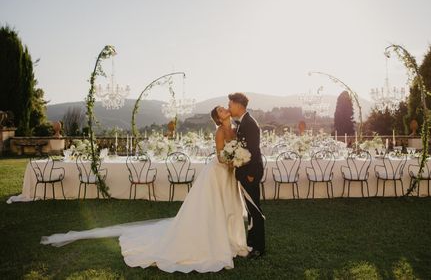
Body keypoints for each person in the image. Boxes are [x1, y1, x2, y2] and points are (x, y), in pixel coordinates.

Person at [41, 106, 249, 273]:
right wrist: (232, 159)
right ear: (217, 118)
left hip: (228, 175)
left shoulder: (234, 127)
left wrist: (237, 158)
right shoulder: (220, 131)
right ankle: (213, 239)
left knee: (226, 206)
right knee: (212, 207)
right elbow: (220, 155)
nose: (225, 109)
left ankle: (228, 236)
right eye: (221, 110)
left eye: (224, 108)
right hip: (218, 172)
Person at [228, 92, 266, 258]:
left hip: (250, 173)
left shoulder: (249, 124)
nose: (229, 107)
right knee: (251, 210)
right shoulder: (243, 123)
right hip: (244, 173)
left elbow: (253, 151)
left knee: (255, 210)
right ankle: (252, 244)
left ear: (238, 105)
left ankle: (258, 247)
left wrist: (250, 174)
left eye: (230, 104)